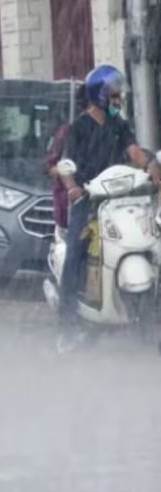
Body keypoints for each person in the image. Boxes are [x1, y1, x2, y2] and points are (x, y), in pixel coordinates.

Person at [56, 65, 161, 351]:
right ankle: (66, 328)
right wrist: (73, 188)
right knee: (76, 255)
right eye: (113, 96)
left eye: (118, 96)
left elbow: (134, 151)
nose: (118, 101)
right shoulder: (78, 128)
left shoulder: (119, 125)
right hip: (88, 201)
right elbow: (65, 167)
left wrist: (151, 165)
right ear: (98, 96)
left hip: (121, 197)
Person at [44, 84, 87, 230]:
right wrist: (71, 184)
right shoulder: (67, 132)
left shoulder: (111, 129)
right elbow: (51, 167)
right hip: (73, 204)